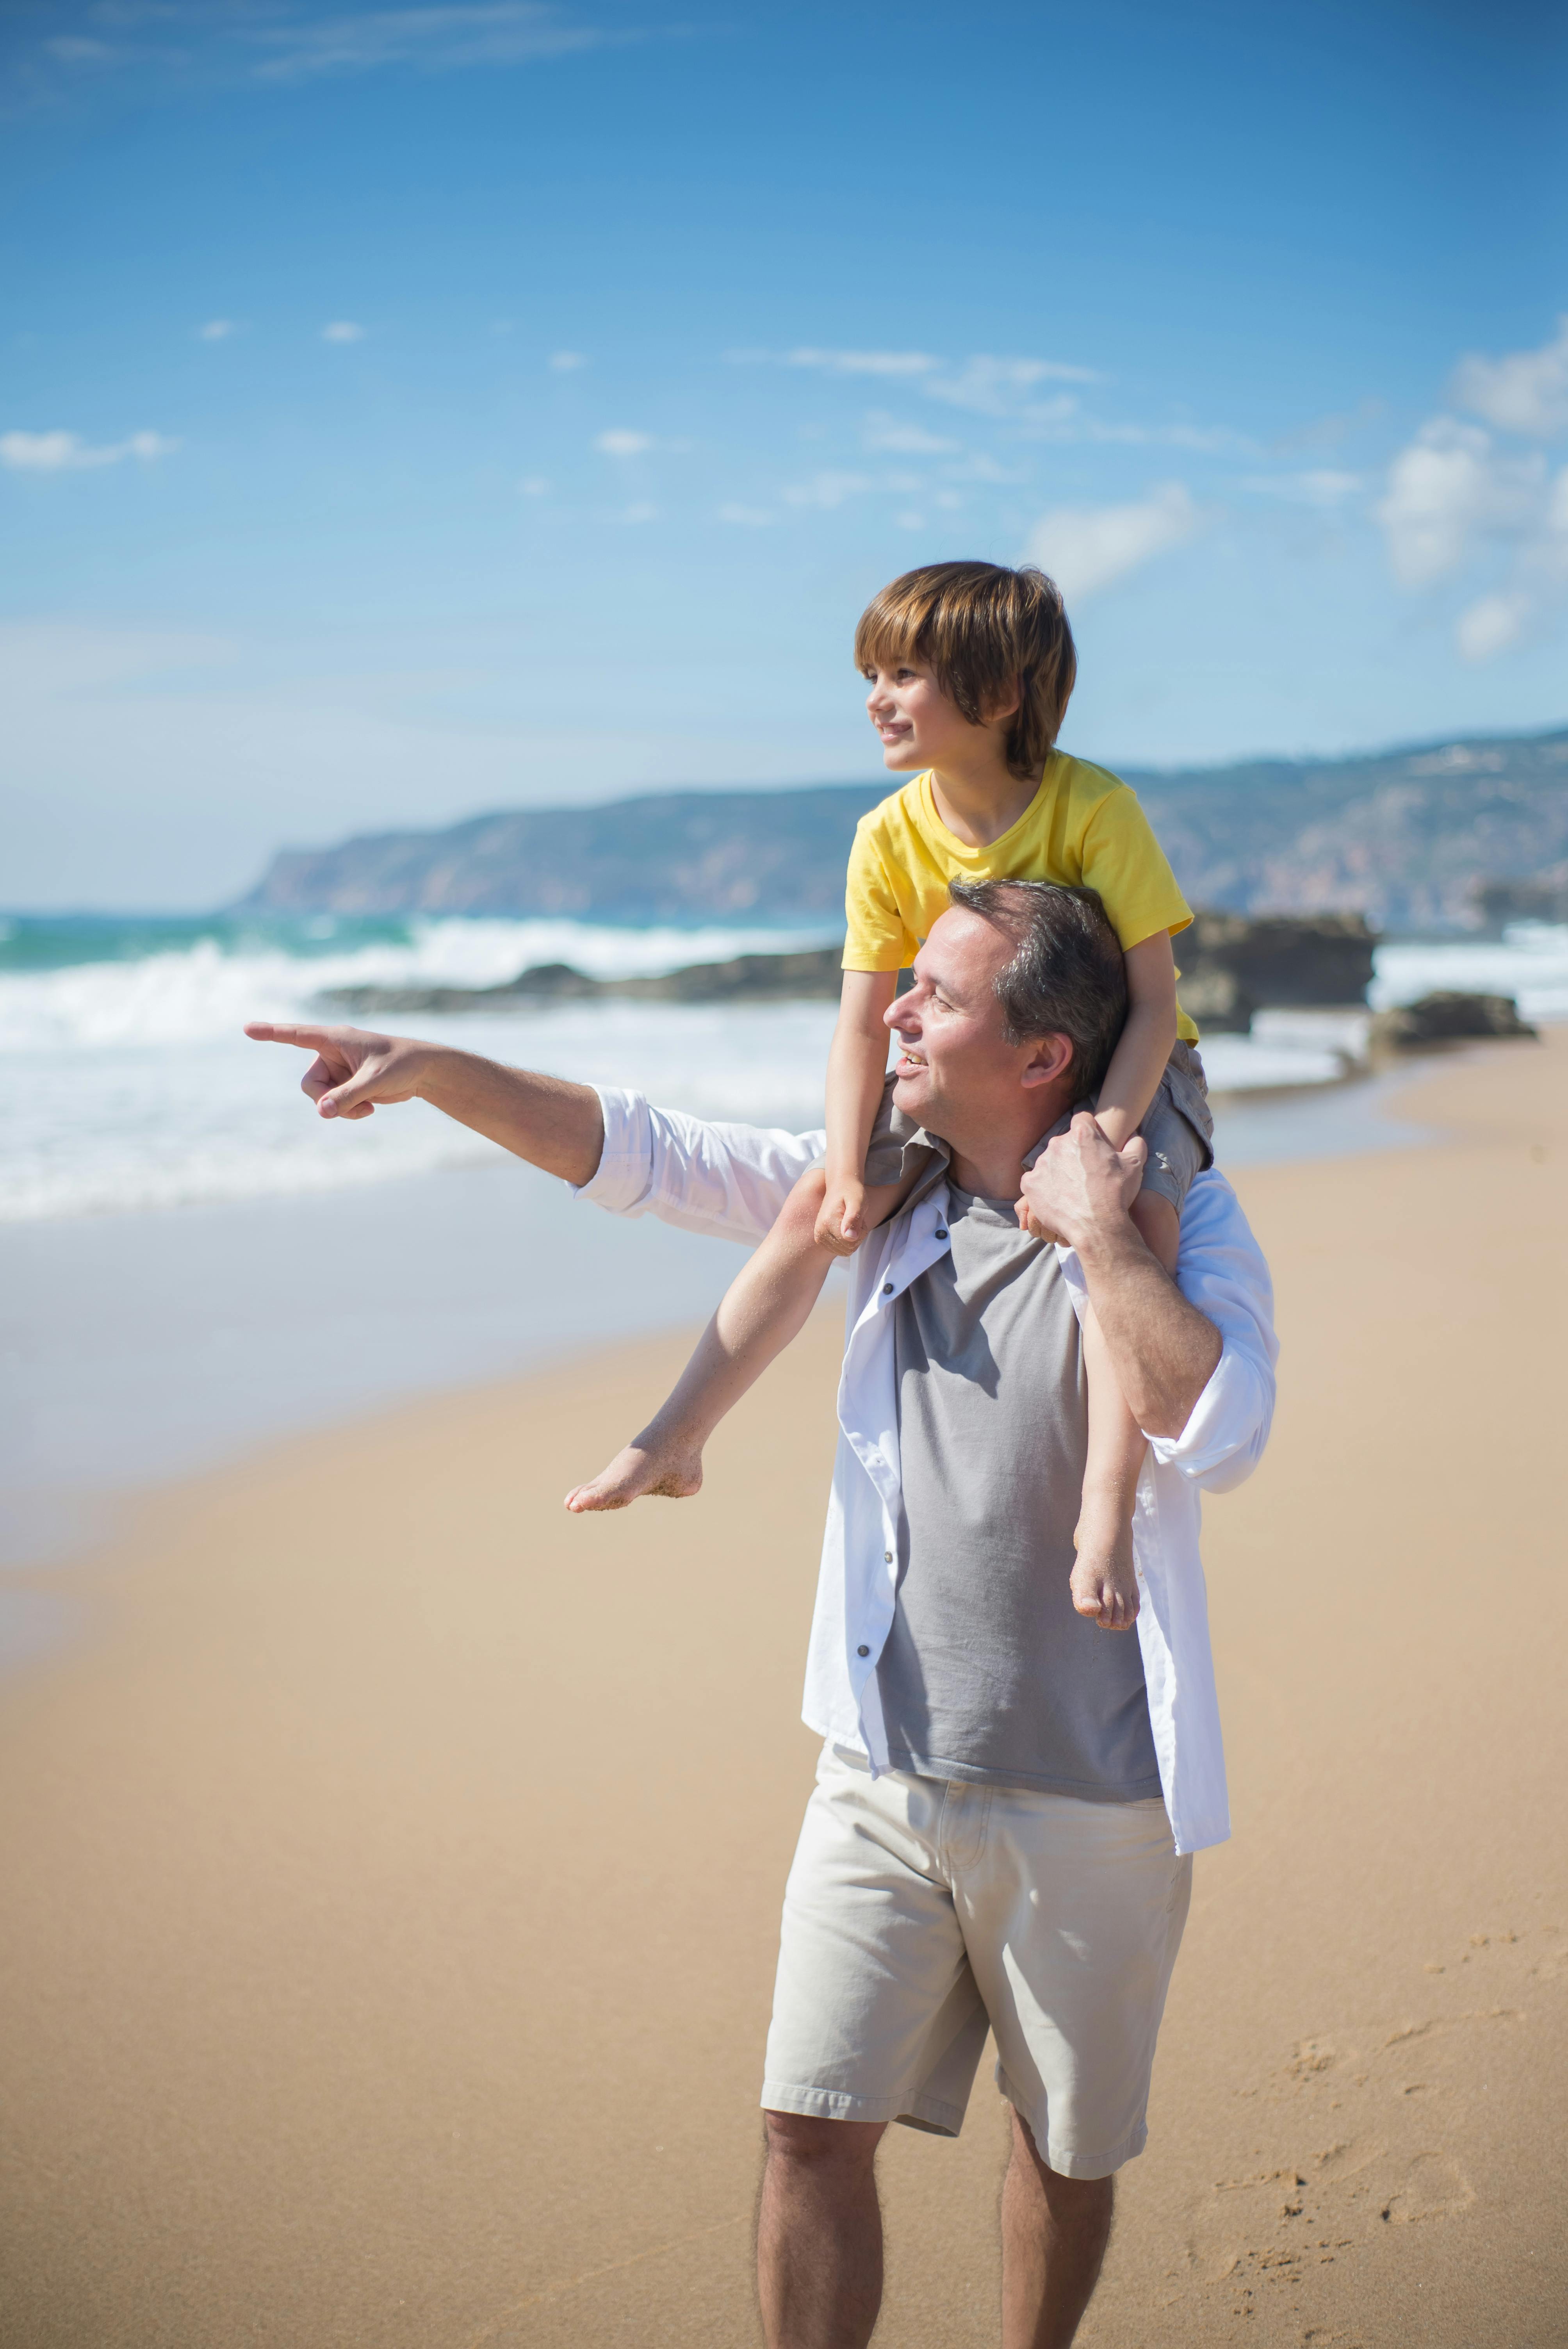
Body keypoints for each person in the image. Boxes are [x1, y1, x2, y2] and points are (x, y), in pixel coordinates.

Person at [246, 877, 1276, 2349]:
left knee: (1063, 2154)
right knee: (806, 2129)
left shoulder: (1183, 1215)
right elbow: (648, 1155)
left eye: (938, 993)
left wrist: (1101, 1243)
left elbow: (1224, 1428)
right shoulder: (879, 1187)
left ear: (1045, 1055)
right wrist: (436, 1072)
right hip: (878, 1776)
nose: (895, 1012)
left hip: (1095, 1794)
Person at [565, 561, 1212, 1643]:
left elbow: (1155, 1004)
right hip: (969, 1068)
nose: (875, 696)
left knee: (1127, 1233)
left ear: (999, 695)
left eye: (904, 673)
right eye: (872, 672)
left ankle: (1103, 1516)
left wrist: (1101, 1139)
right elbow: (865, 1023)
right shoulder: (887, 835)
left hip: (1132, 1070)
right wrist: (851, 1168)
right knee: (818, 1200)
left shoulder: (1093, 807)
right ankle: (676, 1435)